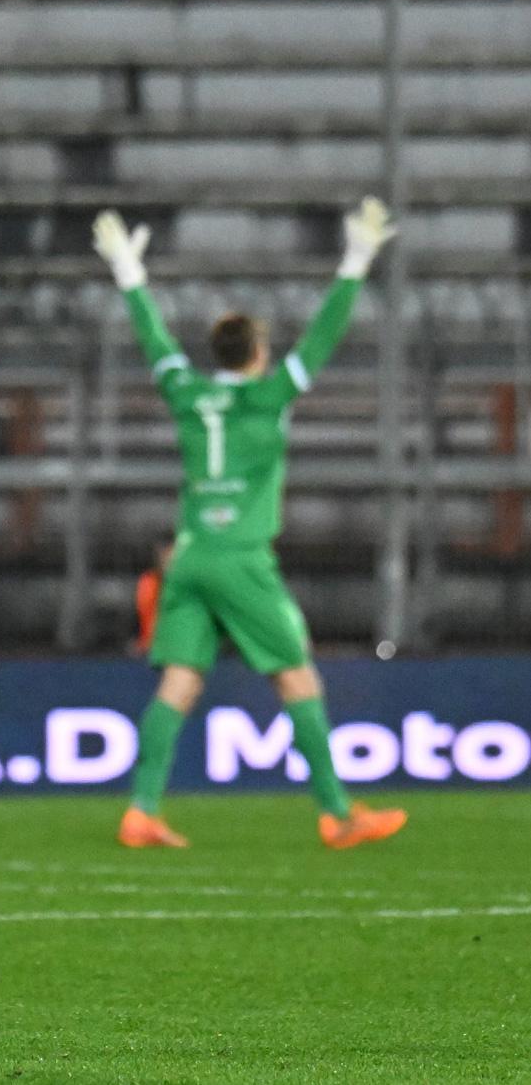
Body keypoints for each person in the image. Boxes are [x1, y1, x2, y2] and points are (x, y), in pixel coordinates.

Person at [93, 198, 408, 852]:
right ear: (259, 352)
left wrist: (129, 274)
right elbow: (322, 337)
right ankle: (335, 812)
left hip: (186, 556)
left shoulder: (185, 391)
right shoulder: (269, 395)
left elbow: (154, 340)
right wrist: (355, 261)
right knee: (297, 678)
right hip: (239, 556)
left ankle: (141, 810)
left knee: (179, 681)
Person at [132, 535, 174, 656]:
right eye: (164, 556)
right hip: (150, 651)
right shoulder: (148, 582)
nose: (167, 561)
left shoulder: (189, 585)